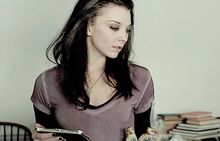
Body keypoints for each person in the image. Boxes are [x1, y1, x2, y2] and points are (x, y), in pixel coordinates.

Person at [30, 0, 155, 141]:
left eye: (127, 30)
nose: (124, 37)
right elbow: (45, 135)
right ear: (89, 26)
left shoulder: (140, 79)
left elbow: (143, 133)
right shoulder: (47, 83)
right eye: (114, 27)